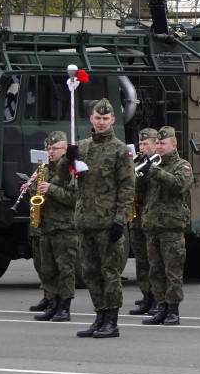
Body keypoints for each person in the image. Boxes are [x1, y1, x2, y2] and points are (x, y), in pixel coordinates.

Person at [68, 98, 135, 338]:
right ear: (91, 120)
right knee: (90, 274)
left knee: (110, 273)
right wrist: (68, 159)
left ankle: (112, 321)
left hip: (107, 222)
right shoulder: (83, 146)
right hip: (85, 220)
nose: (102, 122)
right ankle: (99, 316)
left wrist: (120, 220)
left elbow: (127, 188)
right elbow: (68, 180)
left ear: (113, 121)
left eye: (106, 119)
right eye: (98, 118)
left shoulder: (120, 150)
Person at [139, 126, 193, 326]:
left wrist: (153, 171)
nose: (159, 147)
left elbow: (178, 185)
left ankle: (173, 309)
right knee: (155, 269)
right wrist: (141, 172)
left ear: (174, 145)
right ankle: (160, 306)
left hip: (171, 226)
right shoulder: (154, 164)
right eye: (158, 143)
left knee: (173, 270)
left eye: (163, 143)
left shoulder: (182, 165)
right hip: (152, 224)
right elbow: (139, 193)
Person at [31, 131, 77, 322]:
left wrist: (52, 189)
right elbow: (36, 200)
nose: (50, 152)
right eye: (48, 148)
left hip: (64, 228)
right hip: (46, 227)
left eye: (54, 148)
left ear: (65, 149)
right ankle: (52, 303)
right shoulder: (44, 169)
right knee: (48, 269)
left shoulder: (72, 170)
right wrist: (30, 189)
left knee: (65, 270)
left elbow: (76, 199)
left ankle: (64, 307)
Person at [128, 128, 159, 316]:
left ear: (156, 145)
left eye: (146, 144)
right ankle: (146, 295)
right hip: (137, 217)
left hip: (152, 217)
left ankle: (157, 297)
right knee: (141, 261)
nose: (142, 147)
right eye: (140, 144)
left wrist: (149, 170)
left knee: (153, 261)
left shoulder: (158, 164)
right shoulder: (138, 162)